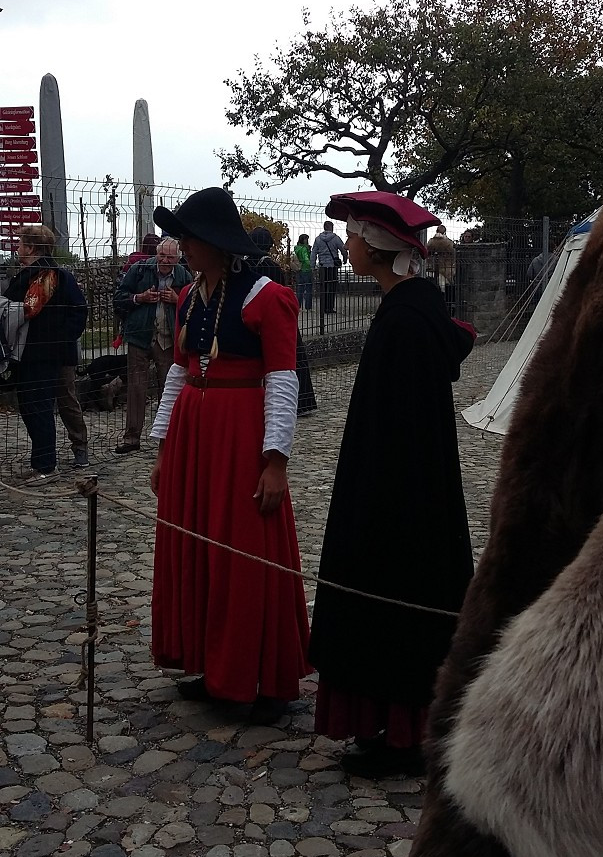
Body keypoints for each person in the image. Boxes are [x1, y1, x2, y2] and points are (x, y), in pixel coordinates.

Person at [308, 190, 476, 779]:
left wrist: (374, 501)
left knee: (398, 600)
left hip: (400, 499)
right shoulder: (407, 311)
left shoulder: (405, 321)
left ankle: (403, 733)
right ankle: (394, 726)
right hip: (401, 488)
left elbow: (401, 430)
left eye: (355, 237)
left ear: (375, 249)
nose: (349, 245)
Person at [149, 188, 311, 724]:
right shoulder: (191, 297)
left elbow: (282, 379)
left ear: (216, 244)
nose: (183, 247)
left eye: (190, 239)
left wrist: (276, 459)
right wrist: (164, 445)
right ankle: (209, 661)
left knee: (242, 548)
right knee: (198, 544)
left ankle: (258, 675)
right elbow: (178, 369)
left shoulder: (266, 297)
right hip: (196, 435)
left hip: (241, 434)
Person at [4, 225, 88, 485]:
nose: (17, 248)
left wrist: (59, 339)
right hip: (32, 352)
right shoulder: (42, 274)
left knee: (38, 408)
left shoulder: (48, 275)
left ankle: (45, 466)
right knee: (30, 408)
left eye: (21, 243)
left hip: (39, 353)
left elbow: (77, 310)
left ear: (31, 248)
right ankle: (40, 461)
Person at [114, 238, 192, 454]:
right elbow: (118, 298)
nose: (165, 261)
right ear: (156, 254)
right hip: (140, 336)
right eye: (162, 256)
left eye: (170, 257)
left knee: (169, 389)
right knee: (136, 387)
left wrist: (178, 300)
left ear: (178, 258)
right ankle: (132, 438)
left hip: (168, 338)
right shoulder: (139, 270)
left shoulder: (184, 275)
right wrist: (140, 298)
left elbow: (195, 305)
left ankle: (169, 436)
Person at [247, 227, 317, 416]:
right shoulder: (270, 265)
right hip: (277, 319)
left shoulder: (244, 265)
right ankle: (300, 402)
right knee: (290, 359)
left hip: (252, 320)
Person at [310, 220, 347, 313]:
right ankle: (330, 307)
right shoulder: (336, 238)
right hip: (332, 266)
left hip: (322, 266)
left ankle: (323, 307)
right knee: (332, 287)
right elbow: (343, 249)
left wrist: (312, 266)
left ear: (324, 227)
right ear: (331, 227)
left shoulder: (318, 239)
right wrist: (345, 259)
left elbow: (313, 253)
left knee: (323, 287)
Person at [293, 234, 313, 310]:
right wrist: (312, 265)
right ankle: (308, 306)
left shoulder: (296, 248)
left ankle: (298, 305)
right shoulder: (304, 249)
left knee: (299, 288)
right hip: (306, 269)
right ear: (304, 240)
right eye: (306, 239)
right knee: (308, 288)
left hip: (298, 269)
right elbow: (306, 259)